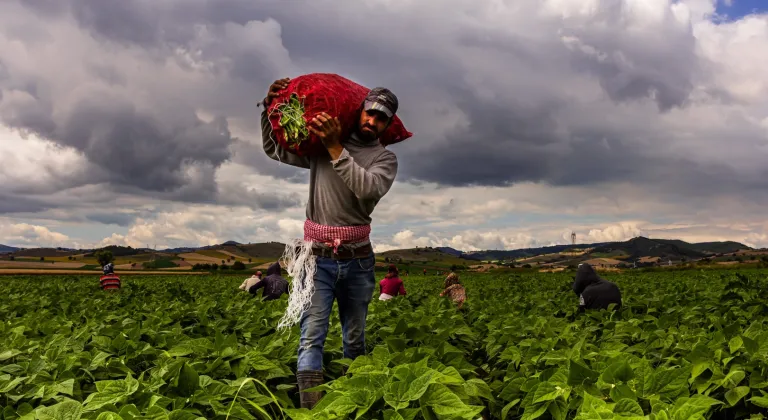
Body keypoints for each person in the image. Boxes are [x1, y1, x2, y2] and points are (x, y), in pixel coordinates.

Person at [261, 78, 401, 409]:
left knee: (354, 338)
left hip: (358, 261)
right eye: (369, 113)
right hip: (317, 260)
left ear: (388, 124)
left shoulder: (384, 159)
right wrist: (268, 110)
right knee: (311, 338)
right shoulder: (322, 145)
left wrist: (336, 147)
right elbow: (274, 148)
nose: (372, 121)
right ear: (360, 111)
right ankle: (312, 411)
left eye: (380, 118)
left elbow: (367, 189)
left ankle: (354, 404)